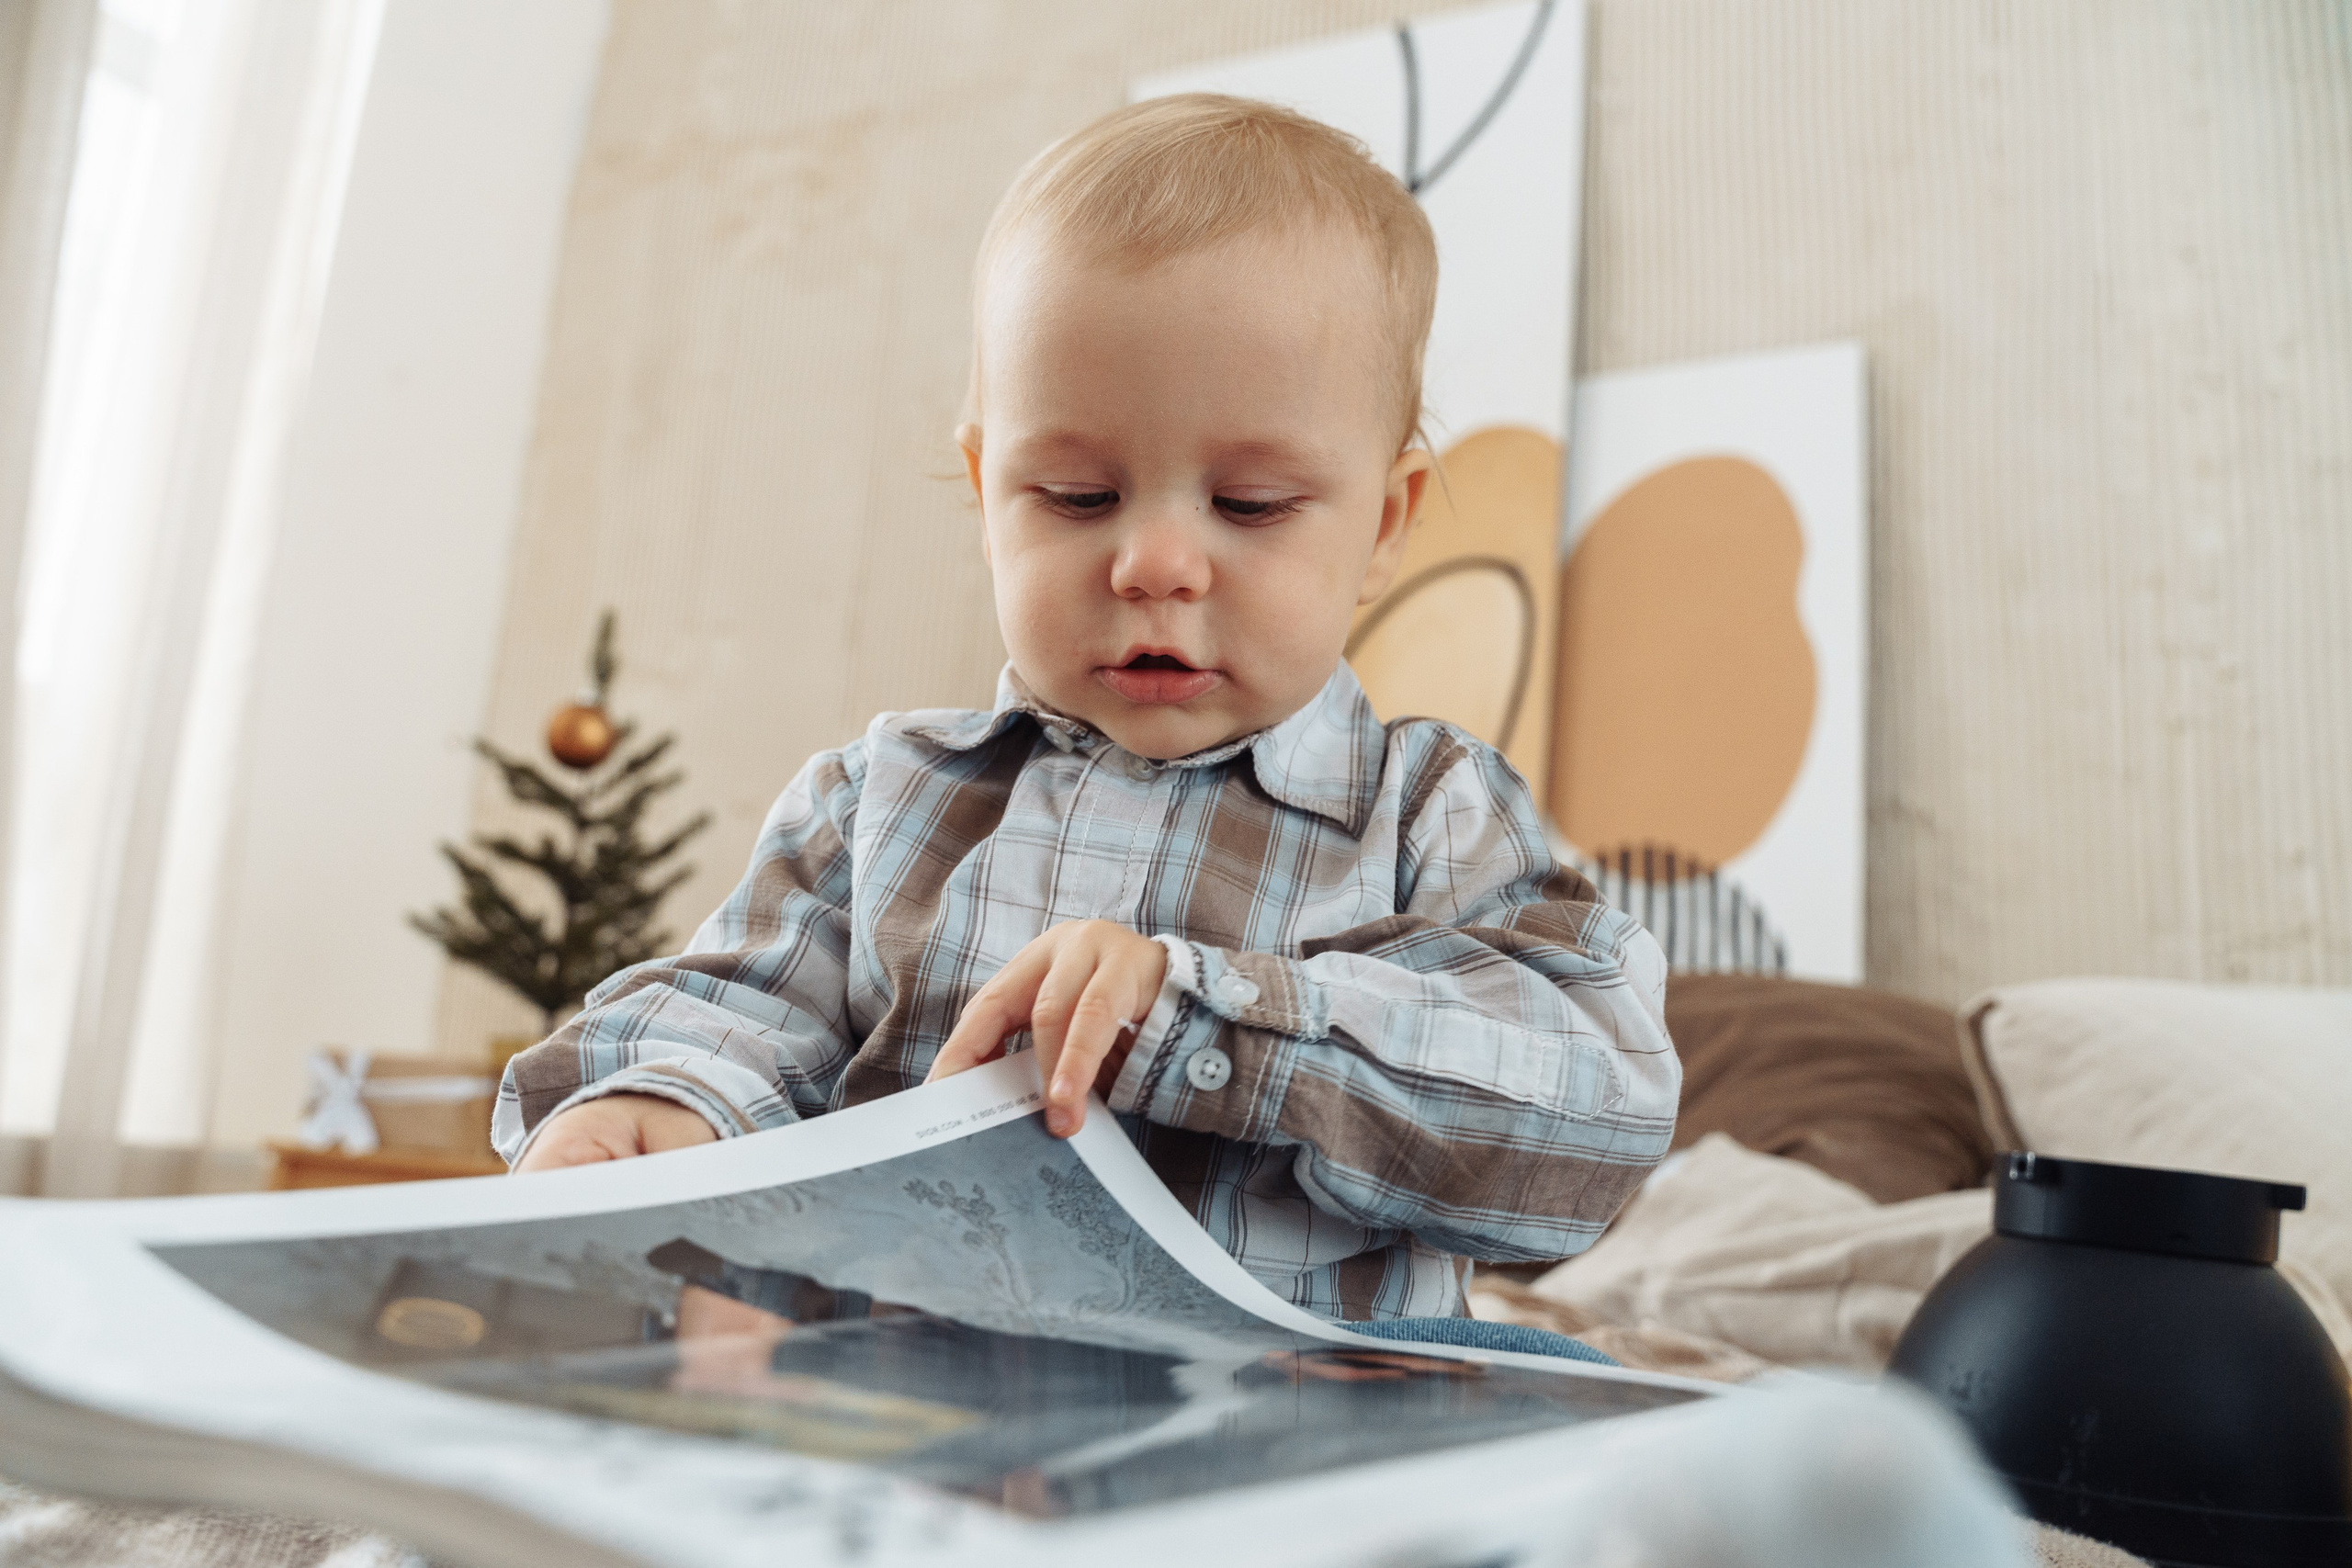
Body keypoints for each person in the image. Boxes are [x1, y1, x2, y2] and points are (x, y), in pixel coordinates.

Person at [492, 93, 1679, 1322]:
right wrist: (661, 1102)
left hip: (1269, 1461)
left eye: (1253, 504)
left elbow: (1595, 1118)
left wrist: (1222, 1023)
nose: (1154, 564)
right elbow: (723, 1011)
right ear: (985, 487)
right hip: (897, 1441)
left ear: (1382, 525)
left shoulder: (1432, 813)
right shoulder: (877, 802)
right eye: (1073, 494)